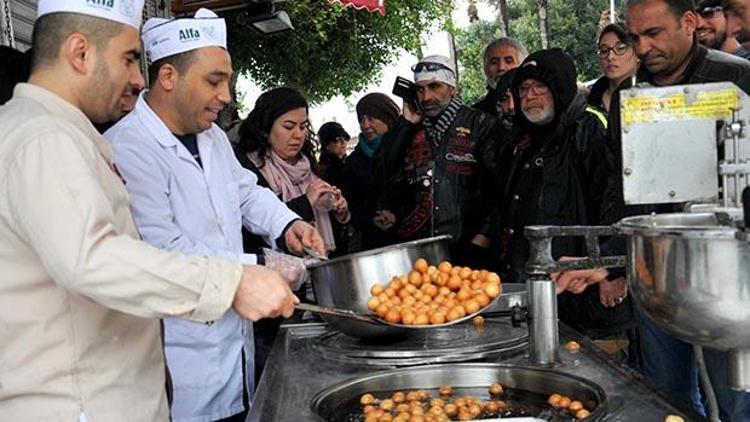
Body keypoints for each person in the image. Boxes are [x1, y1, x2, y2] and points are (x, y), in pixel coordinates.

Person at [0, 1, 305, 420]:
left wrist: (285, 224)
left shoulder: (68, 134)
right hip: (81, 403)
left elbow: (243, 193)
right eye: (128, 59)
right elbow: (94, 257)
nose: (136, 78)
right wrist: (235, 280)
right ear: (79, 53)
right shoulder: (45, 138)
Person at [104, 9, 322, 422]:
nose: (225, 96)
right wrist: (258, 265)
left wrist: (287, 224)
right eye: (214, 80)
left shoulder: (213, 137)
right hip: (180, 360)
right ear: (168, 77)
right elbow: (162, 249)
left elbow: (244, 193)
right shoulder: (129, 148)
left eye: (228, 81)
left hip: (233, 351)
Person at [594, 0, 750, 419]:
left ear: (688, 22)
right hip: (655, 271)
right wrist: (612, 261)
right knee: (666, 398)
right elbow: (619, 185)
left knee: (738, 398)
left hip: (730, 276)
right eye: (634, 37)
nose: (642, 48)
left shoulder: (736, 78)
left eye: (654, 34)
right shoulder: (628, 96)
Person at [497, 48, 633, 340]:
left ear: (559, 88)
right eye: (523, 89)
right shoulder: (524, 141)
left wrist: (613, 273)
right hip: (543, 294)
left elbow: (615, 205)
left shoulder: (590, 129)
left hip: (589, 296)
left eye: (539, 87)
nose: (529, 96)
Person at [235, 87, 351, 380]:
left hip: (316, 295)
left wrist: (338, 212)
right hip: (271, 302)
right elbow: (251, 232)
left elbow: (327, 241)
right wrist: (305, 203)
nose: (298, 135)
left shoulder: (307, 167)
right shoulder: (247, 167)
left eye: (302, 127)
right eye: (288, 127)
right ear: (265, 128)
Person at [374, 55, 502, 269]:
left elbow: (499, 188)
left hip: (468, 249)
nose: (426, 97)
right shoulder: (411, 127)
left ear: (452, 88)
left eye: (435, 87)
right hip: (419, 254)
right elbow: (383, 174)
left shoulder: (481, 124)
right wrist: (405, 125)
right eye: (420, 89)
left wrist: (483, 237)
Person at [342, 92, 401, 251]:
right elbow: (349, 205)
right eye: (361, 119)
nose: (365, 125)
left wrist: (399, 215)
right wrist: (371, 220)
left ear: (387, 117)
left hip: (410, 237)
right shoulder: (354, 161)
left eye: (371, 118)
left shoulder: (408, 149)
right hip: (373, 245)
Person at [588, 22, 639, 112]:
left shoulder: (654, 93)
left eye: (620, 48)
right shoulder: (589, 100)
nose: (610, 57)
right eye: (604, 51)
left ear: (637, 52)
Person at [473, 38, 527, 116]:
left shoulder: (536, 104)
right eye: (494, 62)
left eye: (508, 61)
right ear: (485, 69)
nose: (501, 68)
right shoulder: (475, 116)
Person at [317, 121, 350, 187]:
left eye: (346, 138)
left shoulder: (352, 162)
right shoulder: (323, 172)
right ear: (326, 144)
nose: (343, 142)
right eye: (337, 139)